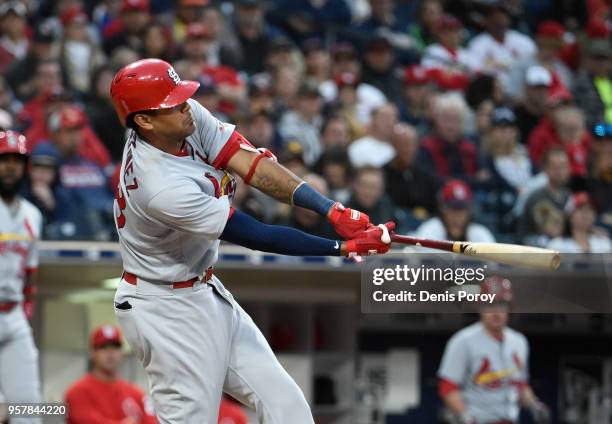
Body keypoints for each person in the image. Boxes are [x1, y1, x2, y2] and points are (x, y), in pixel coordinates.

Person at [109, 58, 392, 423]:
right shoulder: (159, 186)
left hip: (202, 288)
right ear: (144, 121)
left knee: (288, 408)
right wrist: (340, 247)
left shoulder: (181, 120)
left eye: (181, 97)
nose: (185, 106)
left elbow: (250, 164)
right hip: (164, 307)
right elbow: (254, 234)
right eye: (172, 104)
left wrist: (332, 211)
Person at [438, 277, 550, 424]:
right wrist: (464, 415)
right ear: (480, 308)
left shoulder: (519, 342)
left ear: (509, 309)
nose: (496, 313)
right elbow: (447, 386)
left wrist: (534, 405)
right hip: (478, 419)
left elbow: (520, 384)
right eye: (490, 305)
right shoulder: (462, 341)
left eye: (501, 305)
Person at [0, 130, 42, 422]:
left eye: (17, 160)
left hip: (13, 315)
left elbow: (30, 272)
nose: (11, 166)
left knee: (28, 406)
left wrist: (25, 312)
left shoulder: (33, 214)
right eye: (4, 159)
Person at [64, 324, 158, 424]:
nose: (110, 352)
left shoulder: (137, 394)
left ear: (121, 352)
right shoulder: (77, 392)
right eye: (103, 347)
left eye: (115, 347)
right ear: (93, 353)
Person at [467, 1, 536, 94]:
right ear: (486, 21)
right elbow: (474, 71)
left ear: (508, 20)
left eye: (502, 16)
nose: (498, 20)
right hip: (491, 91)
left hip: (522, 89)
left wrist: (498, 64)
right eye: (493, 17)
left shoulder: (523, 41)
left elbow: (534, 64)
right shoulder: (477, 44)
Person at [418, 93, 480, 180]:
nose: (451, 126)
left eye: (456, 120)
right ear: (437, 120)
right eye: (446, 120)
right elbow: (430, 182)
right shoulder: (425, 148)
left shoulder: (471, 149)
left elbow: (484, 180)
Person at [519, 148, 571, 246]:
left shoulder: (568, 194)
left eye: (563, 167)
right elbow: (552, 230)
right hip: (532, 244)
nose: (560, 171)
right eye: (555, 167)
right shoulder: (537, 196)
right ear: (545, 169)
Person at [415, 179, 495, 243]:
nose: (458, 214)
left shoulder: (480, 234)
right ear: (443, 208)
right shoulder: (430, 230)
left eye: (461, 208)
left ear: (469, 210)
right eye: (453, 208)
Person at [348, 102, 398, 168]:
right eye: (385, 117)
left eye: (393, 117)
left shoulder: (400, 148)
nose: (390, 122)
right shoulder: (358, 147)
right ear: (373, 119)